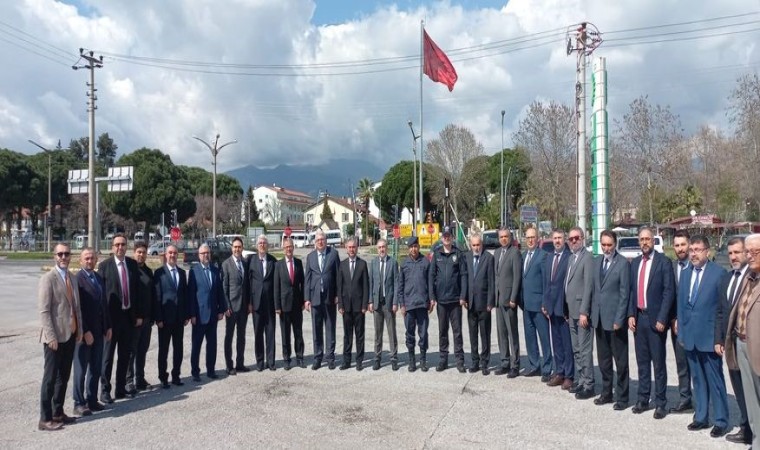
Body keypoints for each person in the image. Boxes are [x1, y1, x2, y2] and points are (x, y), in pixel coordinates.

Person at [676, 235, 729, 437]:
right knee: (697, 380)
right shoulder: (686, 273)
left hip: (709, 338)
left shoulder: (719, 274)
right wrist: (682, 333)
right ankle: (701, 417)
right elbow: (681, 306)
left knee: (715, 381)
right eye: (692, 250)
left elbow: (722, 309)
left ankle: (721, 420)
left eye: (698, 250)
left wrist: (719, 338)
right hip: (690, 336)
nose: (693, 254)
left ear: (707, 251)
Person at [628, 226, 675, 419]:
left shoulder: (663, 262)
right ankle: (643, 398)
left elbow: (669, 291)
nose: (644, 243)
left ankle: (661, 402)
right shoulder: (635, 263)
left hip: (656, 320)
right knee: (642, 362)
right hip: (639, 318)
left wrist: (663, 318)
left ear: (653, 241)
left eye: (647, 239)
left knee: (658, 364)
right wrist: (631, 314)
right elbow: (632, 291)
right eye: (641, 240)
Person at [38, 243, 83, 431]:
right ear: (54, 256)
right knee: (50, 378)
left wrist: (79, 330)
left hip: (70, 335)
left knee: (63, 377)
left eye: (67, 254)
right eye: (60, 254)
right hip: (54, 338)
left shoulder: (72, 278)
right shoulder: (48, 278)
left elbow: (76, 308)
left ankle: (58, 412)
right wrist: (50, 337)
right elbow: (44, 311)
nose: (64, 257)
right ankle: (45, 418)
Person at [98, 233, 145, 402]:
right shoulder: (105, 266)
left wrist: (138, 315)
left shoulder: (132, 265)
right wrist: (104, 322)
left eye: (123, 244)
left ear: (127, 246)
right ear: (112, 247)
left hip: (128, 318)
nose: (120, 247)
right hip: (112, 320)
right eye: (117, 244)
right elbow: (101, 297)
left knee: (125, 355)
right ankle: (105, 390)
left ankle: (120, 388)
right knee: (107, 357)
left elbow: (137, 292)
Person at [715, 236, 752, 444]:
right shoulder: (727, 278)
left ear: (746, 253)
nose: (733, 257)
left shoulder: (753, 277)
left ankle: (753, 430)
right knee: (738, 386)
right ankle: (746, 427)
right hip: (731, 343)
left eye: (737, 252)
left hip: (749, 343)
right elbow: (721, 311)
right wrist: (719, 339)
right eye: (730, 253)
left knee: (752, 388)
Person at [725, 233, 760, 449]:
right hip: (742, 344)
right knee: (752, 402)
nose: (751, 255)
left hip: (758, 348)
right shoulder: (748, 278)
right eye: (748, 251)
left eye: (756, 251)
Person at [590, 230, 630, 411]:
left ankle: (622, 397)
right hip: (599, 319)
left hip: (615, 321)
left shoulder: (622, 264)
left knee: (620, 361)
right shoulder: (597, 262)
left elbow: (624, 294)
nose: (606, 248)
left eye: (609, 245)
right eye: (603, 245)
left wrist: (619, 319)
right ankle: (606, 392)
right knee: (604, 360)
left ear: (615, 244)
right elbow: (594, 290)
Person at [72, 248, 111, 417]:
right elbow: (78, 309)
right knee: (81, 370)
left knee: (96, 368)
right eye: (86, 258)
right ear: (81, 261)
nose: (89, 261)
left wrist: (108, 326)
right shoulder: (77, 280)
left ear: (96, 260)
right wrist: (85, 331)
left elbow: (104, 305)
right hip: (84, 334)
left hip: (99, 331)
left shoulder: (98, 278)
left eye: (92, 258)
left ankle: (92, 399)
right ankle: (79, 403)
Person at [429, 227, 468, 373]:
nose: (446, 238)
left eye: (448, 236)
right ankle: (443, 360)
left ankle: (459, 361)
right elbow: (431, 276)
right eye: (444, 236)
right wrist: (432, 297)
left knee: (457, 332)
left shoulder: (458, 254)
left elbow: (463, 275)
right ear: (441, 238)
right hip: (441, 301)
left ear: (452, 238)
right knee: (443, 331)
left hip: (455, 300)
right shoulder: (437, 254)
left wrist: (463, 296)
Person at [153, 245, 189, 388]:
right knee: (164, 349)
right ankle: (163, 377)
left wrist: (186, 315)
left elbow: (184, 295)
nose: (172, 255)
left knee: (178, 348)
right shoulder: (159, 273)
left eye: (175, 253)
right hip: (165, 319)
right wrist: (158, 318)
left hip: (179, 318)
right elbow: (157, 297)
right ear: (166, 255)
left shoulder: (181, 273)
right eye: (170, 253)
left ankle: (176, 375)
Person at [188, 244, 226, 381]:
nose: (206, 255)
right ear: (199, 255)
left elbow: (220, 292)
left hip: (213, 315)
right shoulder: (194, 271)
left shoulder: (215, 271)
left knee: (212, 345)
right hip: (199, 315)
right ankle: (195, 372)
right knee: (196, 346)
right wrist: (192, 314)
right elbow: (191, 295)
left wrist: (221, 310)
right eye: (203, 253)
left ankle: (211, 370)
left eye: (208, 253)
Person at [565, 226, 595, 399]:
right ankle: (581, 380)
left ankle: (589, 384)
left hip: (582, 313)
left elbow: (589, 286)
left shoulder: (587, 258)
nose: (574, 241)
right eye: (571, 239)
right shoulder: (571, 258)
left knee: (585, 350)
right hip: (571, 312)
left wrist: (585, 311)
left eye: (576, 238)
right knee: (576, 349)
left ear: (582, 238)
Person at [304, 229, 340, 370]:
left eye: (322, 239)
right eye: (318, 240)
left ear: (326, 241)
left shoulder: (333, 254)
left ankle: (330, 358)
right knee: (316, 329)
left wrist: (337, 295)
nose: (320, 242)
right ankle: (318, 358)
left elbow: (338, 276)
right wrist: (307, 299)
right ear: (315, 242)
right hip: (315, 298)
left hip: (330, 297)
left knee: (330, 328)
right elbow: (307, 279)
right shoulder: (310, 257)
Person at [398, 236, 434, 372]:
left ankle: (423, 360)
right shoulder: (404, 263)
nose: (413, 249)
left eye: (415, 246)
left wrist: (431, 299)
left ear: (419, 247)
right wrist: (402, 304)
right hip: (409, 305)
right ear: (409, 248)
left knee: (423, 334)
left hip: (422, 304)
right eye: (411, 247)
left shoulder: (425, 262)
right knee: (410, 334)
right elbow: (400, 286)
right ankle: (412, 360)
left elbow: (430, 283)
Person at [543, 229, 573, 390]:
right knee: (557, 343)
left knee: (567, 344)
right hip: (551, 308)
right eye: (555, 238)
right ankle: (560, 372)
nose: (557, 241)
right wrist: (545, 303)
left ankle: (569, 375)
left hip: (563, 308)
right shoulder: (549, 258)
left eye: (560, 238)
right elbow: (546, 283)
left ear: (564, 239)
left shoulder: (569, 258)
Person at [520, 227, 551, 381]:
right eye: (528, 238)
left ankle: (547, 368)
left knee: (544, 338)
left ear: (538, 238)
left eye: (533, 237)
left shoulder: (543, 256)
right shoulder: (523, 255)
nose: (530, 240)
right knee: (530, 337)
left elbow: (546, 282)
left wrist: (545, 303)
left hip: (539, 306)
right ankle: (534, 365)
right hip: (526, 305)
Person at [669, 229, 694, 414]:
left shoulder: (697, 266)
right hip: (676, 325)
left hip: (695, 323)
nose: (680, 249)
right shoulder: (671, 267)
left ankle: (703, 401)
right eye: (677, 245)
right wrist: (673, 318)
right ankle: (685, 399)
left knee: (698, 365)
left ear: (689, 244)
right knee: (682, 364)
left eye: (683, 244)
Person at [463, 233, 494, 375]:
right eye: (474, 245)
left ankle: (485, 362)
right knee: (473, 334)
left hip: (484, 303)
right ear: (470, 245)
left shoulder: (488, 258)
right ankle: (475, 361)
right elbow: (465, 278)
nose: (476, 248)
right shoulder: (467, 257)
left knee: (485, 334)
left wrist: (490, 302)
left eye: (478, 245)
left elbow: (491, 281)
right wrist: (464, 297)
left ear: (482, 244)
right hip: (471, 303)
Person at [337, 237, 369, 370]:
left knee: (360, 335)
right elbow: (339, 287)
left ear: (357, 248)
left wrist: (364, 305)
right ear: (346, 248)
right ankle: (347, 361)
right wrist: (340, 305)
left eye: (353, 247)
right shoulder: (342, 265)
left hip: (359, 307)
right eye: (349, 247)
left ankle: (359, 360)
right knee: (347, 335)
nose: (351, 249)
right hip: (346, 307)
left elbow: (366, 286)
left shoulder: (362, 264)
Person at [494, 227, 522, 377]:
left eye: (506, 236)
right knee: (501, 333)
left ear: (510, 237)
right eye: (501, 237)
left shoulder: (515, 253)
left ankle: (515, 364)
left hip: (509, 300)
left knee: (512, 333)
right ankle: (504, 362)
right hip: (499, 300)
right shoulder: (497, 252)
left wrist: (513, 298)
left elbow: (517, 277)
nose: (503, 239)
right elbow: (496, 276)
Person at [274, 238, 306, 370]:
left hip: (297, 305)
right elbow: (276, 287)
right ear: (283, 249)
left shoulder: (298, 263)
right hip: (284, 305)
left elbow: (303, 283)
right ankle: (286, 359)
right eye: (286, 247)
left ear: (293, 248)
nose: (289, 249)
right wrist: (277, 306)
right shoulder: (278, 265)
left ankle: (300, 357)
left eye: (290, 247)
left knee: (298, 333)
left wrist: (304, 301)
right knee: (285, 334)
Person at [248, 235, 278, 371]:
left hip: (270, 304)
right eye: (260, 243)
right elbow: (248, 283)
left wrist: (277, 304)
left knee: (270, 333)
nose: (262, 245)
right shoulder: (251, 261)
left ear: (267, 245)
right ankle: (260, 362)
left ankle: (271, 362)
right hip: (256, 304)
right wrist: (249, 302)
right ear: (257, 246)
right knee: (258, 333)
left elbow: (276, 283)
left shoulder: (273, 261)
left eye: (264, 243)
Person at [369, 238, 399, 371]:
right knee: (378, 333)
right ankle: (377, 358)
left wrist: (395, 302)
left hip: (389, 303)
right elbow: (371, 283)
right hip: (377, 303)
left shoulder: (393, 263)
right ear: (377, 249)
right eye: (379, 247)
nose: (382, 249)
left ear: (387, 248)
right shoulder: (373, 263)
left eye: (383, 247)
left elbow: (396, 284)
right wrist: (370, 301)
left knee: (392, 332)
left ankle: (394, 358)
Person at [127, 241, 153, 391]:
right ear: (134, 253)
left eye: (143, 252)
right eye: (139, 252)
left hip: (147, 319)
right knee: (132, 352)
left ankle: (140, 379)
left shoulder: (148, 271)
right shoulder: (129, 270)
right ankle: (128, 381)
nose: (141, 255)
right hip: (134, 320)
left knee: (142, 351)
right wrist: (134, 316)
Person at [221, 237, 250, 375]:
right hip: (231, 307)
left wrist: (249, 303)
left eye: (239, 247)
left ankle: (240, 364)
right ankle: (229, 365)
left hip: (243, 307)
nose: (237, 249)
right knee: (229, 337)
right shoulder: (226, 264)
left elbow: (247, 286)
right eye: (235, 247)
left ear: (242, 248)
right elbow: (224, 287)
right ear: (231, 248)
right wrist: (226, 306)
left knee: (241, 336)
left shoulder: (245, 263)